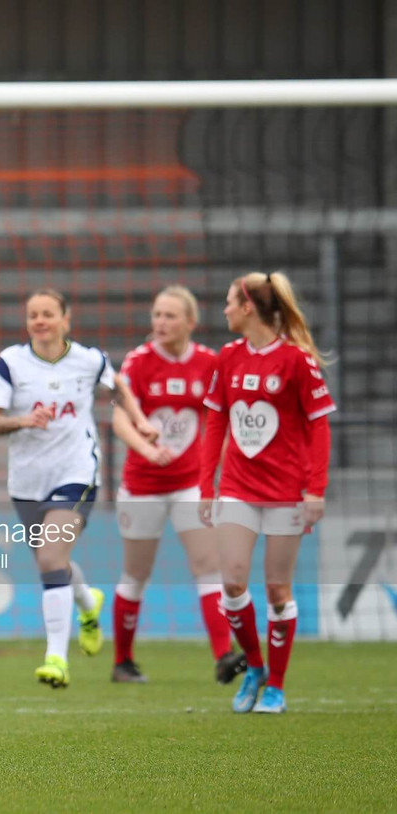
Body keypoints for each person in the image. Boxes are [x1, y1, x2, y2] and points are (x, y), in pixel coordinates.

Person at [0, 288, 157, 689]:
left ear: (65, 319)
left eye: (47, 314)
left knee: (50, 558)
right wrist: (23, 421)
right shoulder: (11, 362)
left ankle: (56, 659)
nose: (40, 321)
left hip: (76, 473)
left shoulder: (89, 360)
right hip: (26, 480)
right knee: (50, 560)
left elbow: (119, 384)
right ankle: (88, 602)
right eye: (33, 315)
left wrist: (140, 420)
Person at [198, 272, 334, 715]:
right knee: (232, 580)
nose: (224, 311)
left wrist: (315, 489)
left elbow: (318, 426)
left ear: (248, 307)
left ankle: (276, 684)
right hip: (238, 487)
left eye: (228, 302)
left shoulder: (297, 361)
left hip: (286, 494)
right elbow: (216, 421)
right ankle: (254, 667)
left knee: (278, 591)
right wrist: (206, 484)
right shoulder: (228, 357)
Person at [111, 286, 245, 684]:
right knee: (136, 574)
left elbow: (219, 423)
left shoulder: (208, 363)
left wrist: (218, 468)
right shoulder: (138, 362)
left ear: (191, 321)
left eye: (170, 316)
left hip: (189, 484)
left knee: (208, 568)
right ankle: (123, 662)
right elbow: (119, 418)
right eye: (156, 315)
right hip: (142, 484)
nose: (161, 323)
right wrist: (146, 450)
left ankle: (224, 656)